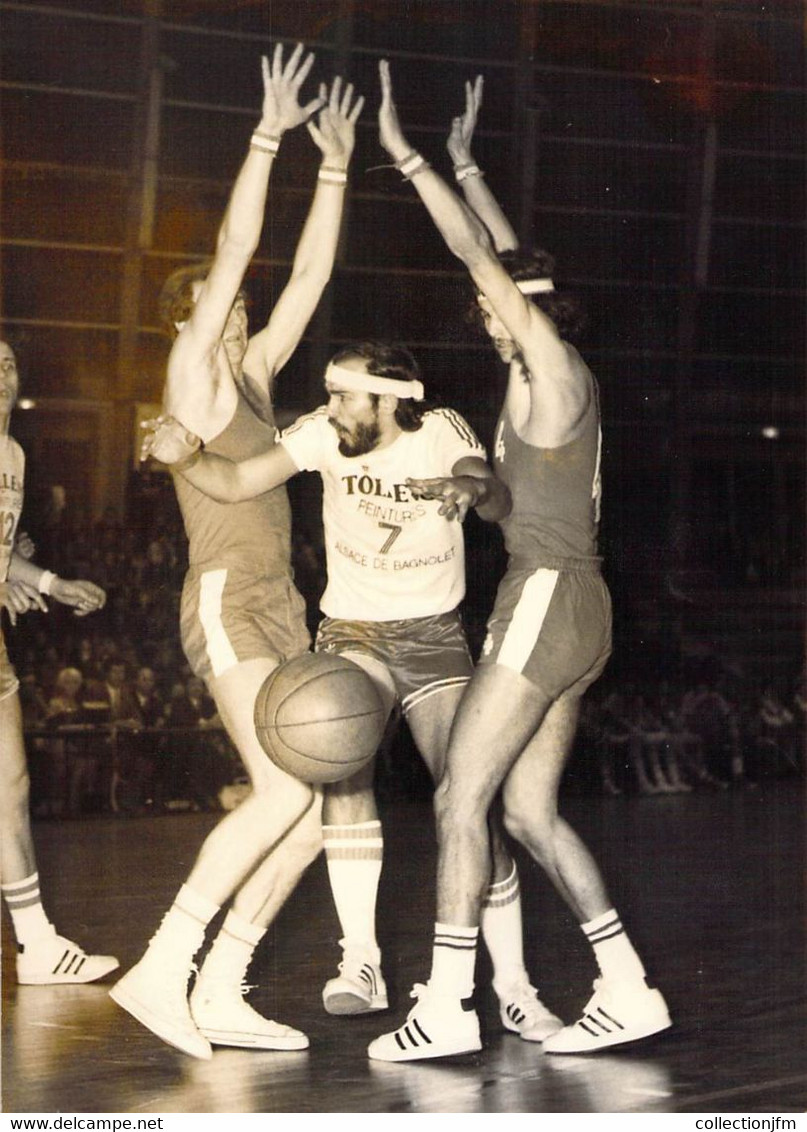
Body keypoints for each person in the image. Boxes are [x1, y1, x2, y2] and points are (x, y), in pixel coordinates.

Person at [367, 65, 671, 1061]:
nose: (481, 311)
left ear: (526, 310)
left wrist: (410, 158)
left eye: (497, 304)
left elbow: (480, 254)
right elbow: (500, 255)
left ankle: (449, 1004)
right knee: (530, 812)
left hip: (547, 598)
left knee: (460, 798)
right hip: (570, 601)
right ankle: (627, 986)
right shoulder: (537, 385)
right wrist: (466, 158)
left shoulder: (548, 361)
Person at [145, 339, 563, 1043]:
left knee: (468, 799)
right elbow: (239, 481)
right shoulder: (319, 433)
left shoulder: (438, 430)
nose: (330, 405)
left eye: (346, 396)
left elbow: (484, 485)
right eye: (331, 394)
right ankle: (360, 959)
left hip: (432, 639)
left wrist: (471, 489)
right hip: (353, 633)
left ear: (392, 399)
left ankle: (515, 986)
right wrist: (183, 457)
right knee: (337, 766)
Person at [109, 45, 364, 1060]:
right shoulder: (194, 381)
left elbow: (307, 273)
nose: (244, 316)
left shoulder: (254, 377)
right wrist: (269, 136)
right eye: (224, 307)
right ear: (194, 317)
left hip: (281, 602)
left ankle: (219, 985)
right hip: (222, 595)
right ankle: (161, 967)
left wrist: (336, 164)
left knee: (310, 814)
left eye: (244, 313)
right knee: (283, 791)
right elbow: (243, 245)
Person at [0, 337, 118, 985]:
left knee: (10, 788)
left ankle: (38, 945)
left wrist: (49, 584)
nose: (2, 373)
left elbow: (4, 551)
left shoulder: (14, 454)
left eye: (10, 362)